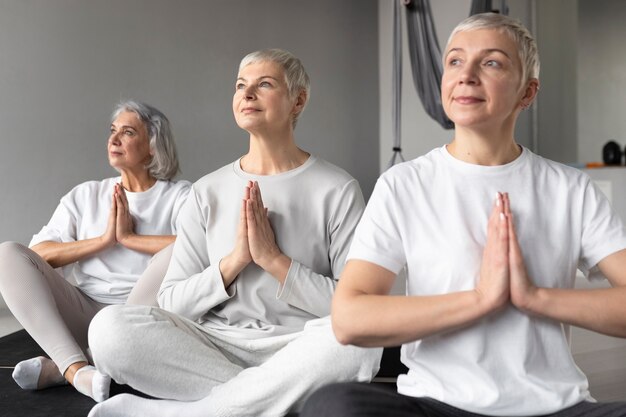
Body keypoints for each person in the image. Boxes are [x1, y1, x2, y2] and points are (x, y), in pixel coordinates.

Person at [301, 12, 626, 417]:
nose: (466, 75)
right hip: (438, 405)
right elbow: (350, 318)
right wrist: (479, 299)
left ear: (527, 92)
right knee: (333, 406)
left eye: (491, 62)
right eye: (455, 60)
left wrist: (535, 297)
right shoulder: (403, 184)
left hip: (554, 408)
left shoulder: (570, 189)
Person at [85, 48, 381, 417]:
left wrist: (275, 262)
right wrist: (234, 262)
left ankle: (190, 412)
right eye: (241, 86)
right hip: (214, 345)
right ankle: (261, 401)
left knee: (359, 346)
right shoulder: (207, 190)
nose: (247, 94)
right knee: (108, 329)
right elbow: (174, 302)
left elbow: (353, 307)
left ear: (298, 100)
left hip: (300, 347)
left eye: (265, 84)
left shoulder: (337, 188)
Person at [0, 100, 191, 402]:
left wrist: (129, 238)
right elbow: (38, 256)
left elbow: (200, 250)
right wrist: (104, 240)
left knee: (179, 251)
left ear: (153, 146)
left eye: (127, 132)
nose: (114, 139)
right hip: (85, 313)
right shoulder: (86, 194)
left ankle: (64, 367)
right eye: (112, 131)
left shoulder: (181, 196)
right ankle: (76, 370)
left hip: (142, 322)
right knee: (7, 253)